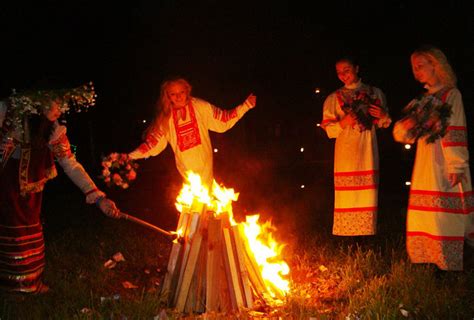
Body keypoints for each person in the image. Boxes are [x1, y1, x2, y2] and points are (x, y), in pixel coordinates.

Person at [0, 85, 120, 294]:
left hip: (30, 194)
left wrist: (98, 197)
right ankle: (16, 288)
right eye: (59, 103)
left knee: (29, 234)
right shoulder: (8, 112)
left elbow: (70, 164)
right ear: (40, 100)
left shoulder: (53, 130)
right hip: (4, 187)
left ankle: (27, 285)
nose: (61, 110)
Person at [393, 45, 474, 271]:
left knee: (445, 214)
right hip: (425, 164)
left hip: (445, 161)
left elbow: (456, 128)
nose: (416, 71)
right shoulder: (422, 100)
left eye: (420, 66)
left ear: (435, 65)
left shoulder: (451, 94)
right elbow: (401, 133)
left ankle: (451, 262)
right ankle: (427, 259)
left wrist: (457, 164)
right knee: (426, 214)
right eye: (413, 68)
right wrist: (407, 126)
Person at [128, 77, 256, 188]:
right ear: (167, 95)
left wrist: (245, 106)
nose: (178, 96)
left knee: (207, 204)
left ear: (187, 91)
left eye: (181, 92)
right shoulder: (165, 118)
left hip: (206, 167)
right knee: (192, 207)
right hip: (185, 172)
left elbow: (223, 120)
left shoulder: (200, 106)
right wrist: (129, 157)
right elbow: (153, 145)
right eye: (173, 94)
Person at [321, 57, 391, 237]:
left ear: (357, 68)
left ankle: (367, 234)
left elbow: (384, 123)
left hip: (367, 149)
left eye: (347, 70)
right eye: (339, 72)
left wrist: (383, 115)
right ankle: (347, 236)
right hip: (346, 152)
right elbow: (329, 130)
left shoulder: (374, 93)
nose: (343, 75)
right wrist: (344, 122)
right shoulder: (333, 98)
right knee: (347, 196)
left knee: (367, 193)